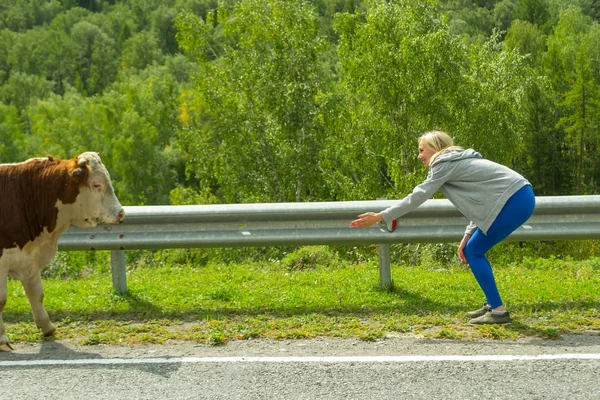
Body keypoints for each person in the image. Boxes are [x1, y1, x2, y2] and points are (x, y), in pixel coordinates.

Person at [350, 130, 535, 325]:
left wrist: (381, 216)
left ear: (435, 148)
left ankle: (498, 312)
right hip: (518, 196)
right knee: (473, 248)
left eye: (422, 150)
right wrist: (467, 235)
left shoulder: (442, 163)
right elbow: (481, 202)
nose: (419, 156)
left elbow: (418, 195)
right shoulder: (454, 161)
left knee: (475, 251)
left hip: (514, 200)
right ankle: (493, 305)